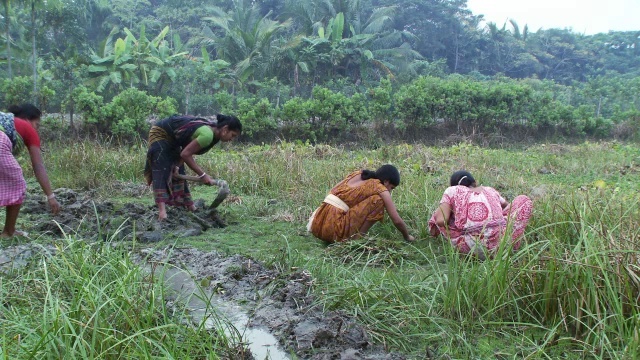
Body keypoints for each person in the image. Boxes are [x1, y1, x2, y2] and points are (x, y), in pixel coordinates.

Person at [144, 114, 242, 221]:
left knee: (178, 171)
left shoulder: (214, 136)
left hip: (174, 139)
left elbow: (186, 149)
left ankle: (190, 206)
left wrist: (177, 165)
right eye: (232, 135)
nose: (231, 139)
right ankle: (162, 214)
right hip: (161, 133)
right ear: (225, 129)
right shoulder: (207, 135)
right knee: (162, 169)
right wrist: (203, 175)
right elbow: (185, 154)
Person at [428, 170, 533, 258]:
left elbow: (441, 221)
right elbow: (508, 207)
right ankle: (511, 239)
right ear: (475, 182)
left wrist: (449, 210)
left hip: (470, 248)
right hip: (503, 246)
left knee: (440, 212)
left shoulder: (452, 191)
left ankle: (438, 234)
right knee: (523, 200)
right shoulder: (489, 190)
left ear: (453, 185)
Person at [308, 164, 415, 243]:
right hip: (333, 231)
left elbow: (332, 193)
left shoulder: (359, 174)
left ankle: (350, 237)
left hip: (317, 223)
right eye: (391, 188)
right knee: (378, 201)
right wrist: (407, 236)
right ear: (386, 181)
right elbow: (396, 220)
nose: (390, 191)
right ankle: (357, 241)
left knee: (368, 200)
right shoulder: (379, 187)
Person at [0, 104, 61, 238]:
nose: (36, 128)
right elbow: (38, 166)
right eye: (37, 124)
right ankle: (8, 232)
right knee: (17, 183)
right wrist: (50, 196)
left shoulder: (5, 121)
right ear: (28, 119)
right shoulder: (27, 127)